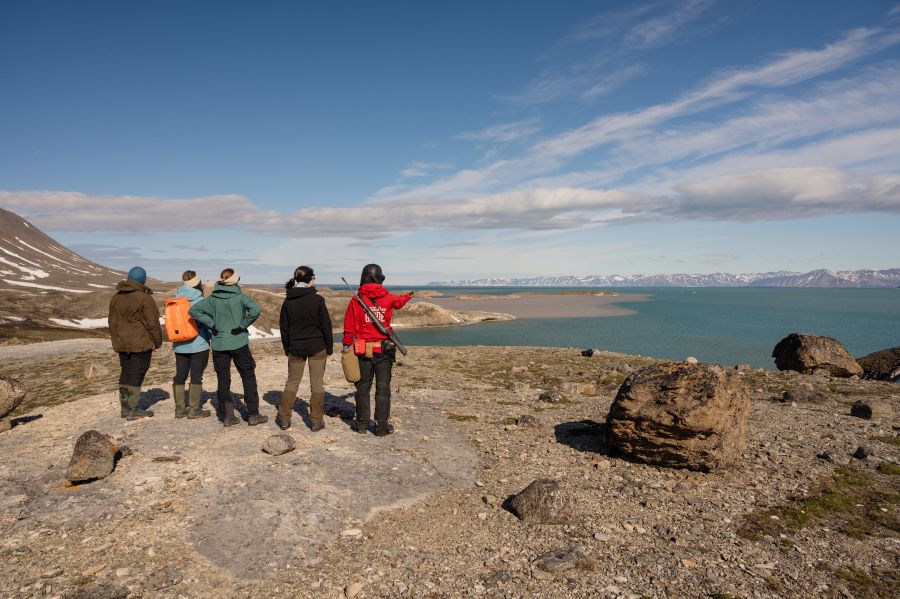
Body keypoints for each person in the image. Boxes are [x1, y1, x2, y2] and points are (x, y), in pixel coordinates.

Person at [189, 268, 267, 427]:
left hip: (219, 343)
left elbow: (194, 310)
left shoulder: (212, 298)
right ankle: (253, 414)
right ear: (236, 281)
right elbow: (256, 310)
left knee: (223, 379)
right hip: (239, 342)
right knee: (248, 375)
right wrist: (243, 325)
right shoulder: (240, 296)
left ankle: (228, 416)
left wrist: (211, 324)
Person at [342, 264, 413, 436]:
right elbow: (399, 303)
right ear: (379, 278)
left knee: (363, 388)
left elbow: (349, 326)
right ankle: (381, 427)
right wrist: (407, 296)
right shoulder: (388, 298)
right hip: (384, 351)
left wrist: (346, 345)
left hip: (362, 351)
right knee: (383, 388)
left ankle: (361, 425)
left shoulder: (356, 300)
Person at [277, 266, 333, 431]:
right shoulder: (317, 299)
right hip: (317, 346)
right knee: (317, 384)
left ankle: (284, 419)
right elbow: (326, 326)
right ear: (310, 279)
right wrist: (329, 348)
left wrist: (287, 348)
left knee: (292, 382)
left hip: (296, 347)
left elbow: (284, 328)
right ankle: (316, 421)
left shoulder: (288, 301)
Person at [108, 266, 162, 420]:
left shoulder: (116, 297)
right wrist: (158, 342)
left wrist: (116, 341)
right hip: (140, 343)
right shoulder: (144, 298)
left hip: (122, 343)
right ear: (142, 280)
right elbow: (153, 323)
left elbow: (111, 322)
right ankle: (133, 409)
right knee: (137, 374)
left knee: (125, 372)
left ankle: (125, 408)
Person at [171, 270, 212, 419]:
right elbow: (207, 322)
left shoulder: (175, 298)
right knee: (196, 377)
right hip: (198, 343)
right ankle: (194, 409)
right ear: (197, 283)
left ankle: (179, 408)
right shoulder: (200, 300)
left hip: (180, 344)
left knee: (179, 376)